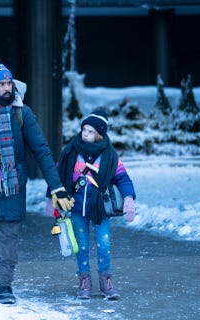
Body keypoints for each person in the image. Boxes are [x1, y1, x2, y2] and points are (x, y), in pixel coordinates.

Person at [0, 62, 74, 304]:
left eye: (9, 83)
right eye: (1, 84)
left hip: (14, 186)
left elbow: (41, 150)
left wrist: (57, 186)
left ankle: (5, 285)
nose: (7, 88)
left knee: (10, 238)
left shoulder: (22, 112)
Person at [54, 108, 136, 300]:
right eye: (84, 130)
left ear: (99, 134)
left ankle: (106, 281)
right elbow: (56, 176)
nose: (86, 134)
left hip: (100, 210)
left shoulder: (110, 156)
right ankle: (84, 280)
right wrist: (53, 200)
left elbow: (122, 177)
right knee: (81, 246)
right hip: (76, 207)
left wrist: (129, 198)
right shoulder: (71, 152)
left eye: (91, 131)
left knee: (104, 243)